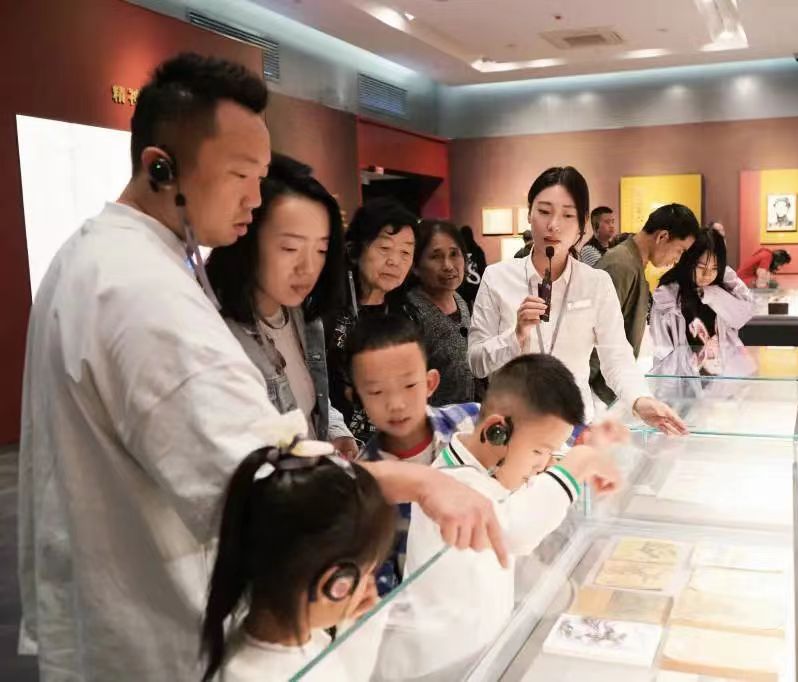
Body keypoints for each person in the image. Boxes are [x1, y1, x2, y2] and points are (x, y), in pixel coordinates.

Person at [18, 53, 507, 681]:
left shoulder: (103, 256)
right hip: (157, 629)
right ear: (161, 167)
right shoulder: (142, 291)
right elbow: (271, 483)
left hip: (122, 607)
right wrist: (418, 483)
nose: (255, 197)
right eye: (241, 175)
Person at [377, 353, 623, 679]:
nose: (543, 463)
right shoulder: (453, 487)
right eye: (539, 451)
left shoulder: (485, 470)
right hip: (441, 668)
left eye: (551, 453)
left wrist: (579, 453)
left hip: (481, 653)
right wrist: (578, 463)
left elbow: (523, 494)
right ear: (497, 431)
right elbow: (517, 531)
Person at [468, 166, 686, 434]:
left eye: (567, 215)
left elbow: (616, 356)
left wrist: (640, 400)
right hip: (509, 425)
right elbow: (476, 362)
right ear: (529, 214)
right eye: (544, 211)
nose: (553, 224)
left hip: (572, 425)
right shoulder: (497, 277)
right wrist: (516, 336)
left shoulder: (596, 283)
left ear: (582, 224)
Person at [200, 432, 395, 681]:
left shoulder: (300, 637)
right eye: (367, 573)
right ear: (335, 585)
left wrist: (359, 623)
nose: (369, 587)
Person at [206, 153, 358, 458]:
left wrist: (335, 429)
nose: (308, 268)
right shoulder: (220, 336)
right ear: (247, 238)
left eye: (321, 250)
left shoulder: (303, 316)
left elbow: (307, 396)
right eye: (290, 248)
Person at [348, 314, 481, 593]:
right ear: (358, 398)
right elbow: (379, 575)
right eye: (376, 391)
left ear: (430, 382)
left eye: (409, 385)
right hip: (426, 603)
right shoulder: (364, 484)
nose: (396, 404)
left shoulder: (473, 422)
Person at [326, 198, 419, 444]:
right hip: (336, 440)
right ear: (354, 250)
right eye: (384, 248)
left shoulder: (407, 313)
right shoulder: (327, 311)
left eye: (405, 252)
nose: (395, 261)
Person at [590, 203, 700, 404]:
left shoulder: (632, 263)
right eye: (679, 250)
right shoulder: (620, 265)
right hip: (595, 391)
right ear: (662, 237)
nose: (677, 259)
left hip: (609, 387)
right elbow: (593, 336)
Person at [651, 228, 755, 376]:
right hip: (683, 378)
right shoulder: (668, 295)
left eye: (714, 268)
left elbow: (742, 315)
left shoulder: (725, 286)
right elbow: (662, 348)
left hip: (721, 376)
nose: (707, 275)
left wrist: (712, 294)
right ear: (688, 261)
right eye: (701, 267)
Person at [407, 220, 476, 406]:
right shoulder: (410, 312)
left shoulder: (459, 300)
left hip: (466, 416)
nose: (448, 265)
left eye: (454, 254)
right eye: (435, 257)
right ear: (415, 266)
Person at [458, 224, 487, 307]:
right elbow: (482, 269)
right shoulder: (477, 250)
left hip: (463, 287)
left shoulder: (459, 251)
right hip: (476, 285)